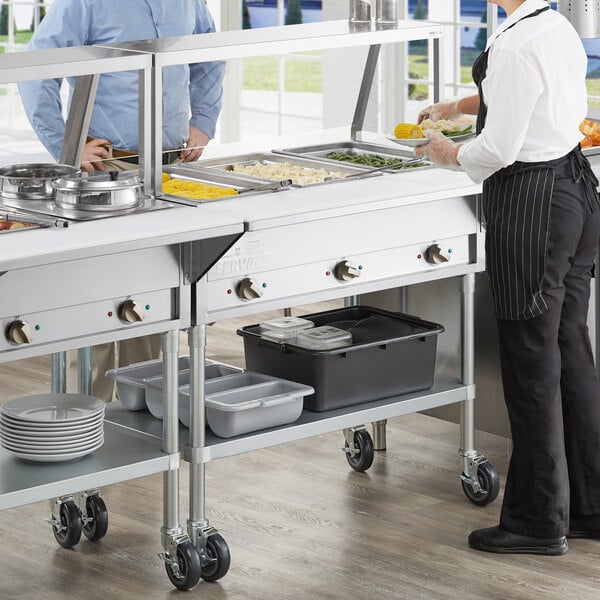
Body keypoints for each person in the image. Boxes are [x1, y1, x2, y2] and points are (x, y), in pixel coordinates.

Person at [415, 0, 600, 555]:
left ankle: (537, 521)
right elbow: (530, 94)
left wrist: (449, 152)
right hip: (576, 193)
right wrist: (459, 103)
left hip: (534, 205)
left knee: (531, 363)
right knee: (569, 350)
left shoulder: (518, 43)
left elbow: (498, 148)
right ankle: (589, 506)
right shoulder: (551, 25)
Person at [19, 0, 225, 401]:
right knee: (95, 292)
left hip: (169, 166)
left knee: (155, 288)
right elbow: (37, 67)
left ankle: (146, 408)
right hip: (106, 168)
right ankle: (84, 414)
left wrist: (203, 119)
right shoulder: (86, 3)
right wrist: (67, 145)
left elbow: (210, 54)